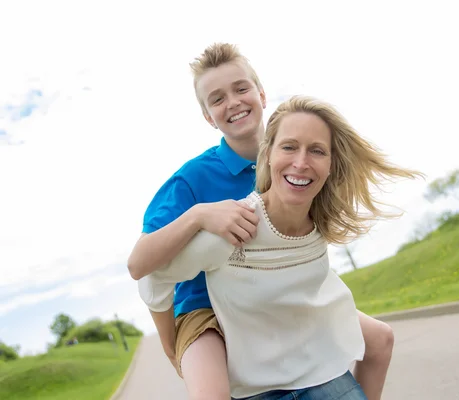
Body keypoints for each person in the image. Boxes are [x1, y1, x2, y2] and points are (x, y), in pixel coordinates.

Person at [127, 43, 408, 399]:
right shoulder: (192, 179)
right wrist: (200, 215)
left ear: (261, 94)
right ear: (208, 117)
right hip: (205, 304)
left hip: (269, 292)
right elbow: (140, 264)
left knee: (379, 338)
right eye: (217, 99)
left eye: (241, 89)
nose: (232, 102)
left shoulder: (291, 157)